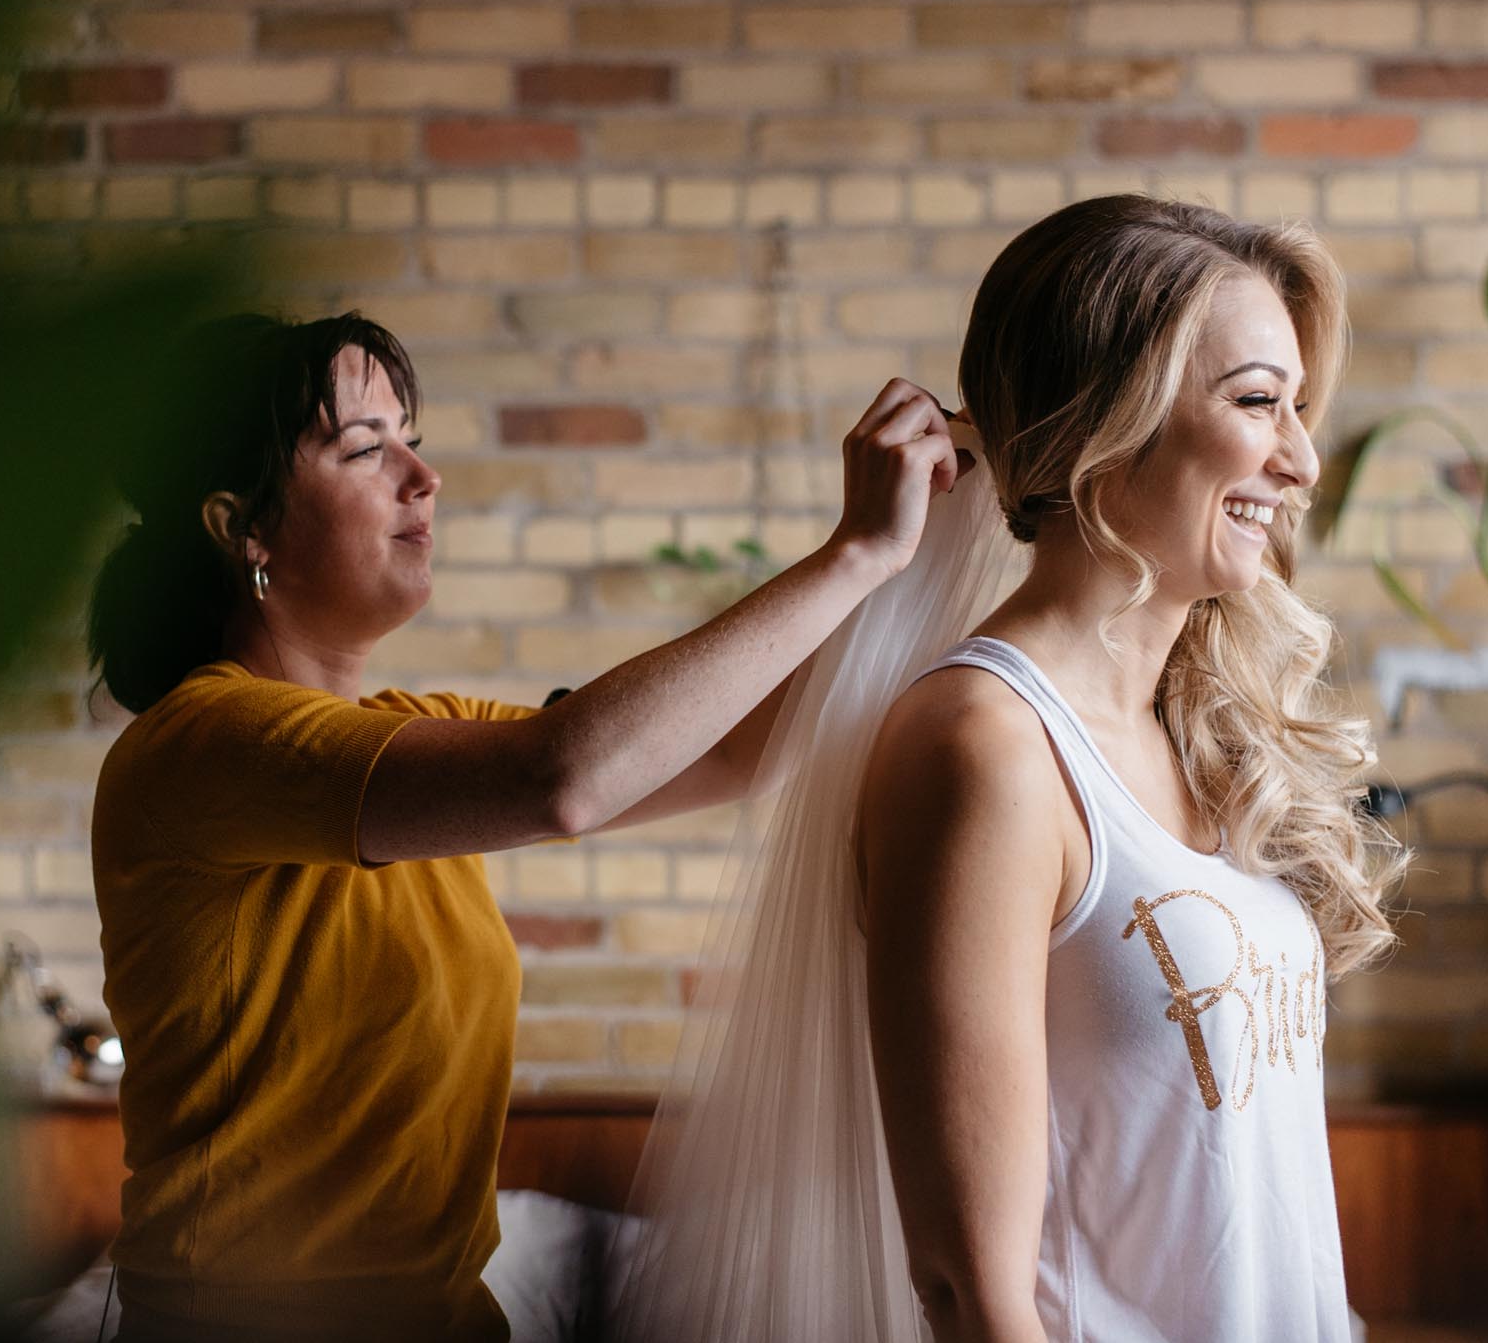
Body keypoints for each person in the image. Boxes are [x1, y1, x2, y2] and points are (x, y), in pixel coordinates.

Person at [613, 195, 1406, 1343]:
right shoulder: (982, 748)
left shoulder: (1205, 735)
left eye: (1297, 407)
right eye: (1254, 403)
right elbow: (967, 1289)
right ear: (1105, 423)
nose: (1299, 457)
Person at [83, 311, 964, 1342]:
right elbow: (566, 775)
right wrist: (855, 552)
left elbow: (733, 750)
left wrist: (932, 532)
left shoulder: (423, 737)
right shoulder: (199, 744)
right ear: (245, 530)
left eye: (412, 437)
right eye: (366, 448)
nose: (422, 476)